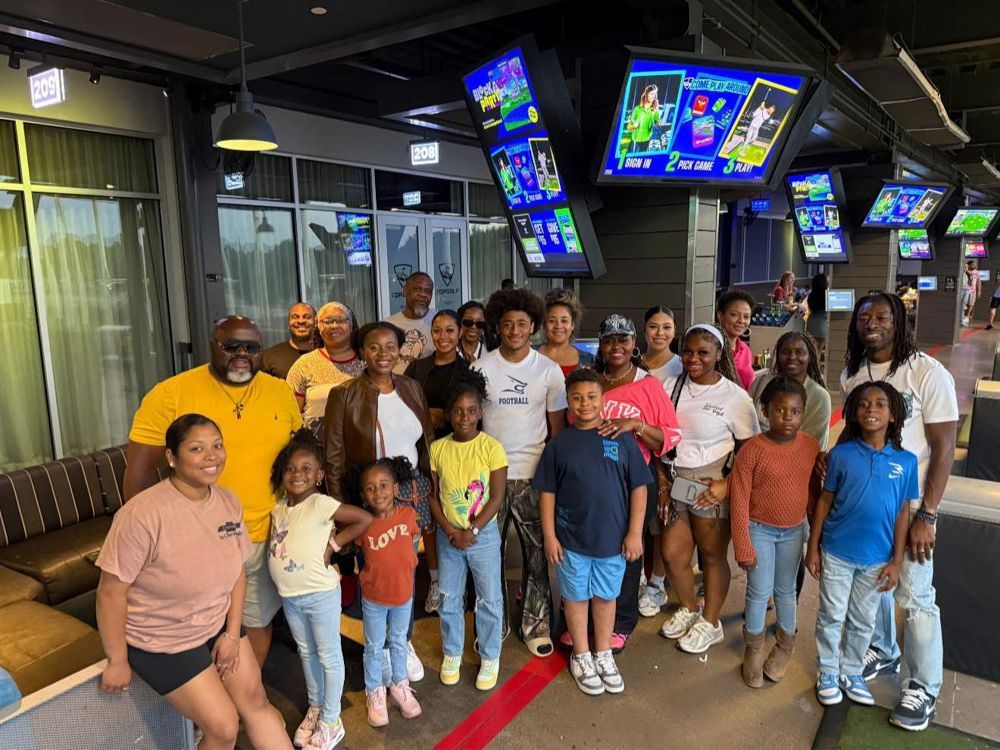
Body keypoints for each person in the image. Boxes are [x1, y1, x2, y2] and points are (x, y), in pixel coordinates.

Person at [97, 415, 291, 750]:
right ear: (172, 457)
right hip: (163, 639)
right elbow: (111, 592)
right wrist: (117, 661)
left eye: (217, 445)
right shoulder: (142, 514)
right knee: (224, 727)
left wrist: (232, 633)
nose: (212, 456)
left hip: (215, 624)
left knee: (257, 704)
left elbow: (237, 573)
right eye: (197, 448)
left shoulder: (227, 501)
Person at [124, 316, 303, 667]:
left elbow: (296, 461)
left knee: (255, 622)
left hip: (266, 534)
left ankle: (242, 697)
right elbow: (139, 474)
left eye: (250, 347)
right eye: (230, 346)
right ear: (212, 345)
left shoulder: (280, 391)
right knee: (198, 629)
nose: (241, 354)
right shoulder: (170, 394)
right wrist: (148, 543)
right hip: (195, 539)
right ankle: (202, 706)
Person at [840, 292, 958, 731]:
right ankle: (885, 651)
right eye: (864, 317)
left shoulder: (927, 372)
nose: (872, 323)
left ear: (899, 321)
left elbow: (944, 448)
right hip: (867, 505)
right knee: (876, 583)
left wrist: (928, 513)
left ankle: (923, 687)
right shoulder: (854, 374)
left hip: (910, 507)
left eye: (882, 316)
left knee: (916, 596)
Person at [323, 321, 436, 680]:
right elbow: (335, 456)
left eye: (390, 346)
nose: (383, 353)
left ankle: (402, 641)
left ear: (400, 350)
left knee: (404, 570)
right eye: (374, 347)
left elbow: (426, 441)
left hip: (411, 491)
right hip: (370, 497)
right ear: (363, 352)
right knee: (375, 573)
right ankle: (384, 645)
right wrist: (341, 510)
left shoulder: (412, 387)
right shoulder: (345, 394)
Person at [537, 369, 651, 695]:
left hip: (612, 542)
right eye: (577, 398)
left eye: (591, 397)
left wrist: (634, 533)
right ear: (568, 403)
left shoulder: (620, 439)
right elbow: (547, 492)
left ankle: (603, 653)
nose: (584, 404)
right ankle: (582, 655)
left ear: (603, 399)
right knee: (575, 599)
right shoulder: (560, 445)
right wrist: (550, 536)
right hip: (571, 542)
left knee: (605, 598)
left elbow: (638, 488)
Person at [807, 382, 917, 709]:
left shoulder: (906, 462)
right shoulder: (841, 455)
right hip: (837, 551)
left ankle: (851, 670)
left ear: (894, 415)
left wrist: (896, 561)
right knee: (831, 614)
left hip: (876, 559)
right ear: (854, 413)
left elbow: (902, 513)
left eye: (880, 404)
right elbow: (825, 502)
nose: (871, 410)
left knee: (863, 620)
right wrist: (813, 548)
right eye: (864, 404)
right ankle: (827, 670)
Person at [472, 288, 567, 657]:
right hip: (489, 476)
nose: (514, 330)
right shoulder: (481, 369)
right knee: (487, 558)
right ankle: (493, 626)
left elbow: (556, 429)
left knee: (538, 555)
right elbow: (472, 425)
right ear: (497, 326)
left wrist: (555, 477)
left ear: (533, 327)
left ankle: (536, 622)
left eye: (522, 324)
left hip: (534, 475)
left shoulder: (548, 370)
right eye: (508, 324)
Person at [267, 429, 373, 750]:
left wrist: (335, 543)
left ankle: (331, 720)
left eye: (305, 469)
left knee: (328, 655)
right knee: (306, 652)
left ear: (319, 475)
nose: (297, 474)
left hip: (320, 594)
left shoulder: (320, 503)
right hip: (291, 597)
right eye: (290, 469)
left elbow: (363, 518)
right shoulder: (278, 508)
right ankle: (315, 707)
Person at [658, 324, 760, 654]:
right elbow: (660, 435)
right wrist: (662, 480)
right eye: (687, 351)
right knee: (673, 554)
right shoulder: (670, 384)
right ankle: (690, 607)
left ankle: (711, 622)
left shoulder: (734, 397)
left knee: (713, 555)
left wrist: (727, 485)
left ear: (719, 354)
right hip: (677, 480)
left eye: (703, 352)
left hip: (710, 483)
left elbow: (751, 449)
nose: (693, 358)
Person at [585, 314, 680, 651]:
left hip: (633, 483)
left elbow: (671, 435)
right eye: (609, 339)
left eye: (623, 339)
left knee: (628, 549)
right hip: (594, 484)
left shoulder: (647, 384)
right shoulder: (592, 382)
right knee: (593, 549)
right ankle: (591, 617)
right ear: (600, 343)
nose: (616, 346)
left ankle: (621, 621)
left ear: (633, 344)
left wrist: (636, 425)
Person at [730, 377, 820, 688]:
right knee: (758, 590)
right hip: (759, 530)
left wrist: (815, 540)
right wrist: (743, 543)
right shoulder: (753, 450)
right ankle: (754, 650)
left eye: (795, 411)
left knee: (786, 592)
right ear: (766, 411)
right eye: (780, 410)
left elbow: (813, 492)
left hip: (793, 532)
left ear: (803, 413)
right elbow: (739, 498)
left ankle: (784, 647)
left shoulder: (810, 447)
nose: (787, 417)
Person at [428, 370, 507, 691]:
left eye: (472, 410)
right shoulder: (437, 449)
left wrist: (472, 529)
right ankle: (452, 652)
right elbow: (433, 496)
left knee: (489, 598)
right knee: (449, 596)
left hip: (483, 536)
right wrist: (450, 531)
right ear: (448, 414)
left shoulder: (491, 448)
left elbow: (497, 496)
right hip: (449, 537)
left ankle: (489, 655)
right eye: (458, 411)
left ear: (481, 413)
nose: (465, 417)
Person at [357, 458, 423, 728]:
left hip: (403, 596)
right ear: (363, 496)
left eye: (383, 485)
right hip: (374, 599)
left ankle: (399, 685)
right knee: (373, 646)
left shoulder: (408, 516)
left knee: (398, 640)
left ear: (396, 489)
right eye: (370, 488)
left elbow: (414, 542)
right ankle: (374, 691)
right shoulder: (363, 523)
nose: (378, 492)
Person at [749, 331, 831, 450]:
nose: (791, 357)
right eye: (785, 352)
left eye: (799, 352)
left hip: (793, 461)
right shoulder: (761, 382)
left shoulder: (819, 396)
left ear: (810, 357)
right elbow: (745, 421)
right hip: (753, 452)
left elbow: (813, 444)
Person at [286, 302, 362, 429]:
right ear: (318, 328)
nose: (334, 325)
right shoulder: (304, 365)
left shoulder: (367, 361)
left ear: (352, 325)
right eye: (327, 321)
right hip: (316, 447)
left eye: (341, 320)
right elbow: (290, 416)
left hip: (361, 445)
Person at [405, 309, 469, 440]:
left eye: (450, 330)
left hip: (455, 445)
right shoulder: (417, 367)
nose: (443, 337)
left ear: (460, 332)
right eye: (437, 331)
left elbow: (468, 413)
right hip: (421, 444)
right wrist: (433, 415)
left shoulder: (467, 370)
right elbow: (404, 405)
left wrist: (439, 416)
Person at [537, 287, 594, 376]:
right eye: (552, 321)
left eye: (564, 321)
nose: (558, 326)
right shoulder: (528, 354)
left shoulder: (588, 360)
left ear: (572, 325)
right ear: (544, 324)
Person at [386, 272, 435, 373]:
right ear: (405, 291)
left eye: (427, 291)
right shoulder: (388, 325)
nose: (422, 294)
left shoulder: (439, 323)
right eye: (416, 289)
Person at [262, 302, 317, 379]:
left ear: (315, 323)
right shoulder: (268, 357)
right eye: (295, 317)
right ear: (288, 324)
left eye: (307, 317)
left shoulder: (327, 354)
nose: (301, 321)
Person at [716, 289, 757, 390]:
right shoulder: (710, 348)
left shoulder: (745, 350)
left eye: (746, 316)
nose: (741, 321)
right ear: (720, 316)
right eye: (734, 315)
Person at [639, 306, 683, 385]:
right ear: (644, 329)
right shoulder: (631, 365)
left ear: (674, 331)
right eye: (653, 327)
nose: (660, 333)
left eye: (666, 327)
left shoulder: (682, 367)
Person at [625, 84, 659, 153]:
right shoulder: (637, 109)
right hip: (634, 142)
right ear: (646, 95)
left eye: (655, 94)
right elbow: (628, 127)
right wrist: (634, 126)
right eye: (652, 94)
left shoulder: (656, 111)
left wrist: (657, 124)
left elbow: (657, 124)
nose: (654, 96)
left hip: (646, 142)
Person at [806, 273, 828, 363]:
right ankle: (817, 370)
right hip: (822, 325)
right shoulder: (827, 296)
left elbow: (809, 309)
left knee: (812, 351)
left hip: (811, 324)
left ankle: (812, 369)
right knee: (819, 350)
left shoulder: (811, 296)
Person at [962, 260, 980, 326]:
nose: (974, 265)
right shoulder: (965, 272)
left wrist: (979, 291)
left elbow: (978, 282)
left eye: (974, 264)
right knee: (964, 303)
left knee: (971, 304)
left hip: (973, 291)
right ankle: (962, 316)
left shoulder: (976, 272)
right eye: (972, 264)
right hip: (965, 290)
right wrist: (965, 269)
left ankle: (967, 317)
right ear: (968, 265)